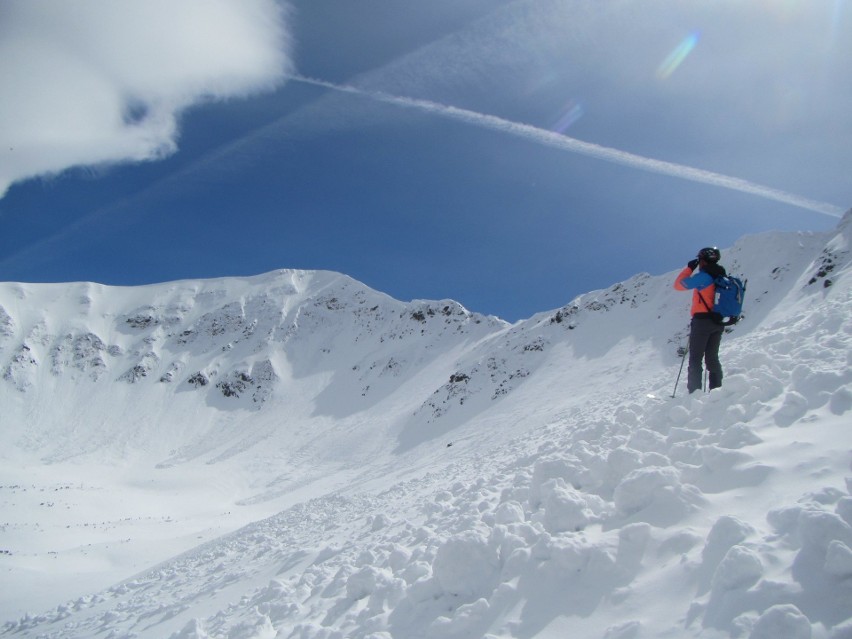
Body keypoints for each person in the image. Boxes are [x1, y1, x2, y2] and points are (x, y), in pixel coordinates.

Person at [674, 246, 727, 393]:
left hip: (702, 322)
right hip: (718, 321)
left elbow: (679, 285)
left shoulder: (704, 277)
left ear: (703, 260)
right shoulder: (721, 277)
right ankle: (717, 391)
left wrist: (689, 269)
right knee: (712, 358)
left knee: (695, 359)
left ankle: (694, 394)